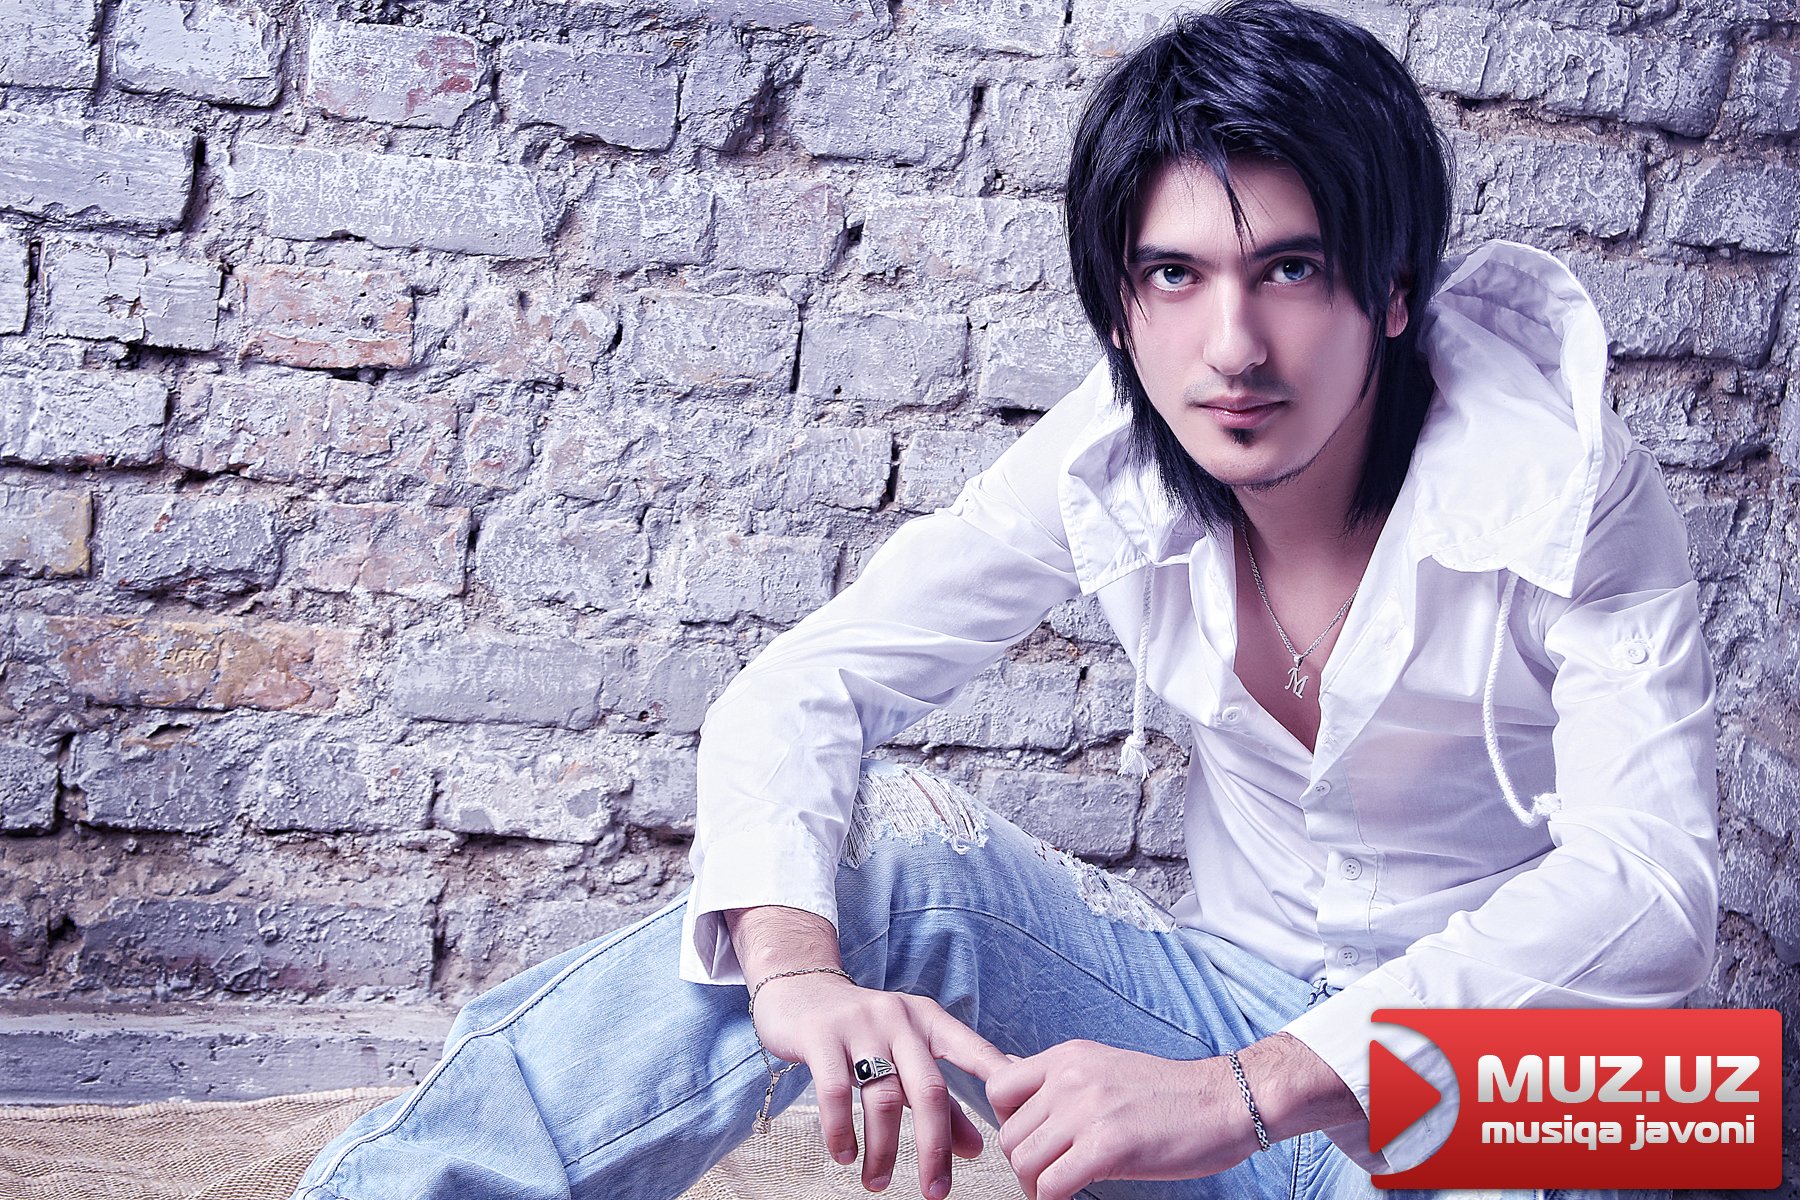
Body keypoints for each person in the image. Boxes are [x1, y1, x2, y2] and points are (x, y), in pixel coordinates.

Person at [293, 3, 1718, 1199]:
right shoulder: (1117, 455)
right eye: (1175, 275)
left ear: (1392, 291)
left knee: (1690, 1102)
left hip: (1494, 1078)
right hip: (1219, 1009)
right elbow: (809, 687)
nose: (1233, 345)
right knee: (888, 847)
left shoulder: (1563, 481)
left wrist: (1244, 1091)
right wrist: (793, 978)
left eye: (1291, 268)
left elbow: (1655, 896)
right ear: (1121, 305)